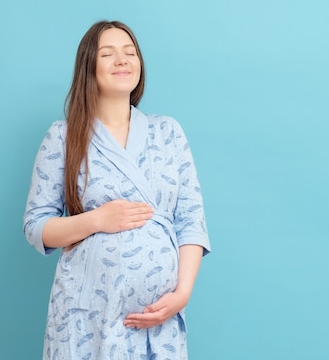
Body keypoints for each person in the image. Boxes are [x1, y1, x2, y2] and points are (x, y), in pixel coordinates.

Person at [23, 20, 210, 360]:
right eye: (108, 54)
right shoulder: (62, 137)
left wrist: (182, 293)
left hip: (157, 317)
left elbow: (191, 219)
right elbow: (37, 227)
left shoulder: (168, 132)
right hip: (86, 314)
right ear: (88, 68)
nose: (122, 60)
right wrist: (96, 220)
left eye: (130, 52)